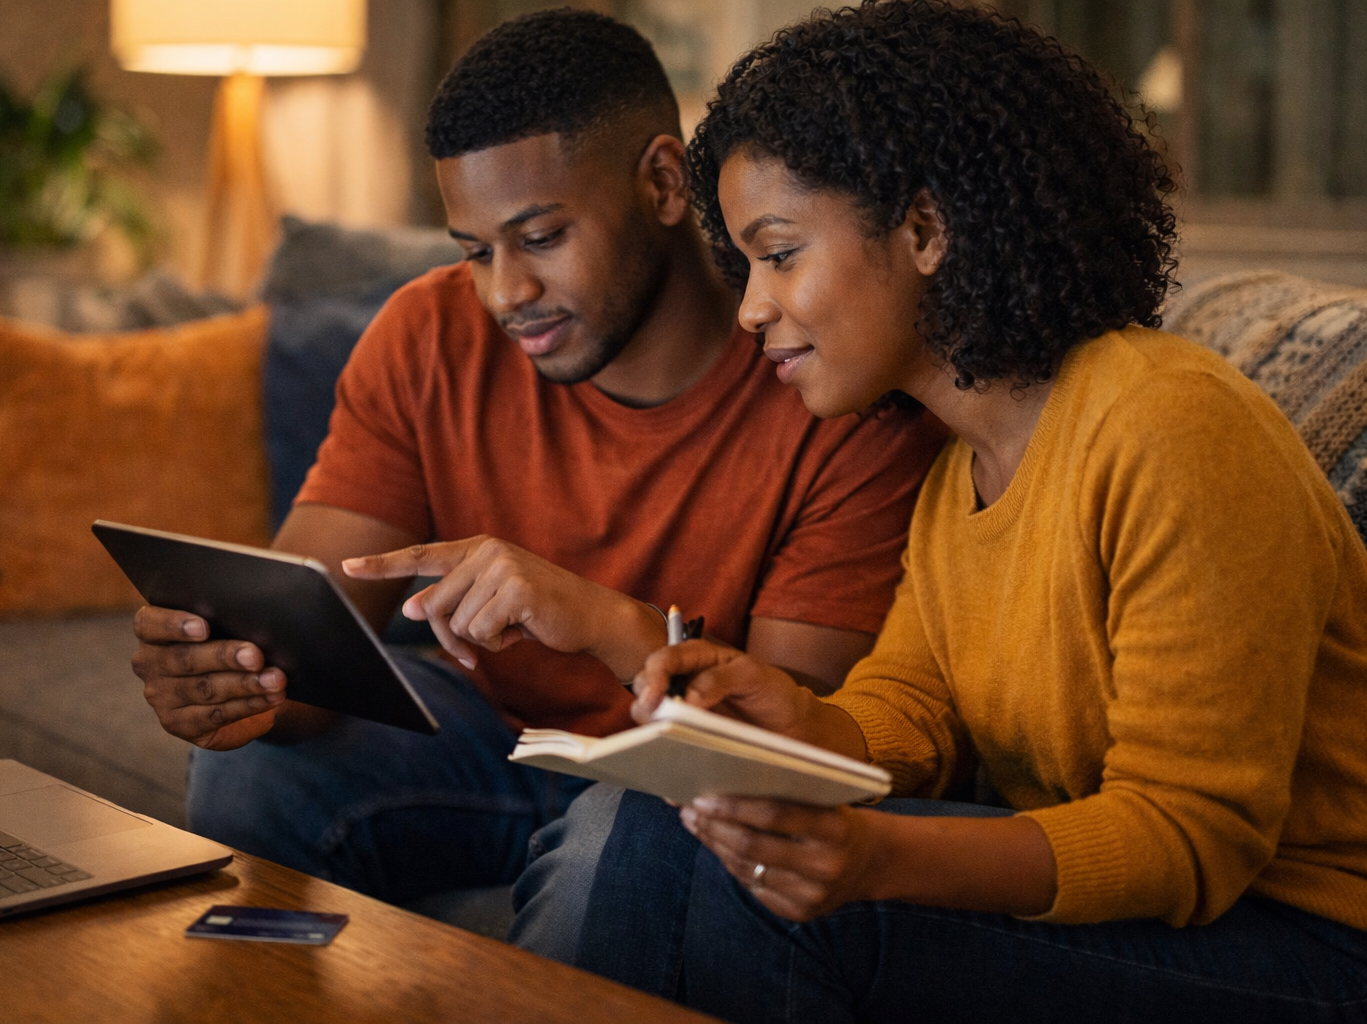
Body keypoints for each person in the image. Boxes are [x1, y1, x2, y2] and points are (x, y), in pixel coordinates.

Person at [511, 3, 1367, 1019]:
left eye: (779, 254)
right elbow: (914, 714)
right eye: (746, 266)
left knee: (761, 893)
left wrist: (875, 856)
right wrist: (787, 721)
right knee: (654, 817)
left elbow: (1189, 833)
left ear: (925, 230)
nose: (750, 308)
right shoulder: (958, 471)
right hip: (1168, 926)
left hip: (1306, 940)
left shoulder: (1170, 425)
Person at [127, 8, 946, 927]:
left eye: (542, 237)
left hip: (679, 782)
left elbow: (781, 755)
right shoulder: (428, 334)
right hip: (495, 740)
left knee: (614, 843)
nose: (505, 293)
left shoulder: (829, 376)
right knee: (251, 772)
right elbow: (306, 663)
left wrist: (603, 623)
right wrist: (238, 679)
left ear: (664, 181)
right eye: (476, 252)